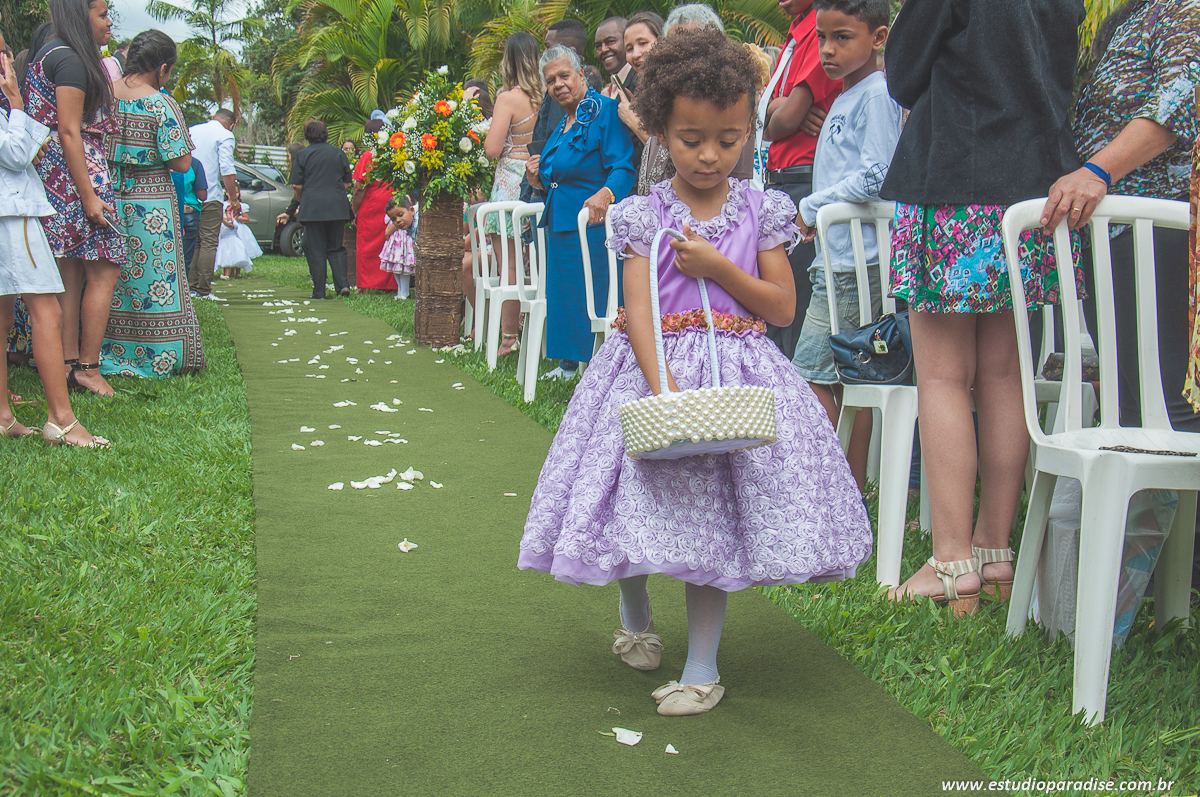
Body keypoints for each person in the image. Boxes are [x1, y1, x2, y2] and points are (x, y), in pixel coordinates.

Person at [519, 29, 871, 716]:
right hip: (652, 373)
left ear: (747, 132)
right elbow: (639, 308)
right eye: (691, 139)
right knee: (632, 501)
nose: (711, 155)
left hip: (735, 372)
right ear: (658, 132)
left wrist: (719, 269)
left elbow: (779, 305)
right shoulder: (638, 215)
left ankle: (703, 666)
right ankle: (635, 610)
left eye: (729, 138)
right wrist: (663, 387)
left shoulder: (761, 211)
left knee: (712, 528)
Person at [880, 0, 1084, 614]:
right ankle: (995, 554)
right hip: (1030, 197)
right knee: (1003, 377)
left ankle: (951, 563)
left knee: (943, 376)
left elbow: (903, 75)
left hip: (950, 186)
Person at [1043, 0, 1199, 434]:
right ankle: (1140, 503)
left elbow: (1182, 96)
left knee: (1169, 402)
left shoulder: (1185, 10)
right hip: (1114, 234)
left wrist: (1096, 171)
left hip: (1158, 233)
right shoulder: (1139, 15)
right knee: (1126, 397)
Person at [790, 0, 901, 490]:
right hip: (835, 261)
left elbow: (878, 175)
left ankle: (835, 492)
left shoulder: (877, 94)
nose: (828, 50)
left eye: (842, 38)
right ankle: (841, 492)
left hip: (860, 264)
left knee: (826, 375)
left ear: (877, 38)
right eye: (822, 38)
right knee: (839, 378)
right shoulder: (846, 95)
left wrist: (815, 205)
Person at [0, 29, 107, 446]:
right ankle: (61, 420)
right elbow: (14, 155)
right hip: (13, 214)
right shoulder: (9, 102)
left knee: (5, 317)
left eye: (7, 51)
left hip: (12, 211)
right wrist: (18, 106)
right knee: (47, 309)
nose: (8, 61)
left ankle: (4, 415)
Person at [25, 0, 127, 397]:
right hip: (79, 173)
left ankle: (67, 362)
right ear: (79, 14)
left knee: (68, 270)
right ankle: (88, 366)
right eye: (102, 14)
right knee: (105, 268)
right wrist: (88, 196)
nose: (109, 21)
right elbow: (70, 130)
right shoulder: (70, 61)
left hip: (51, 171)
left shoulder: (45, 51)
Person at [524, 44, 635, 380]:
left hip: (594, 228)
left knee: (597, 298)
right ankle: (571, 364)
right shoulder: (563, 122)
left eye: (564, 76)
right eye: (550, 80)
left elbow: (623, 166)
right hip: (560, 224)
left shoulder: (605, 111)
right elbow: (554, 172)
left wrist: (606, 192)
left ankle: (605, 368)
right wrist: (537, 177)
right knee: (567, 299)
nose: (558, 84)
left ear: (581, 75)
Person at [103, 29, 205, 378]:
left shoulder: (103, 96)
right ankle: (159, 354)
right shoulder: (160, 103)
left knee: (109, 278)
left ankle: (106, 350)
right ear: (162, 68)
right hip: (152, 204)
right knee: (155, 275)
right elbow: (181, 162)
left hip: (109, 195)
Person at [759, 0, 841, 360]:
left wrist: (781, 109)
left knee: (792, 303)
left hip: (803, 181)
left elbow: (783, 121)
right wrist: (778, 105)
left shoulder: (818, 32)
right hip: (779, 181)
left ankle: (792, 403)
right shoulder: (795, 34)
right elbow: (764, 113)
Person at [483, 31, 541, 356]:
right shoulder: (548, 96)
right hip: (535, 179)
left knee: (509, 265)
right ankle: (527, 329)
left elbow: (492, 149)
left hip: (509, 182)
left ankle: (508, 338)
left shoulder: (508, 99)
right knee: (533, 261)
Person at [518, 19, 587, 205]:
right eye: (551, 81)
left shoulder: (577, 99)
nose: (558, 84)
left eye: (549, 48)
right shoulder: (559, 102)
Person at [290, 119, 354, 299]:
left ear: (307, 135)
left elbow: (296, 184)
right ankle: (342, 284)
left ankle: (319, 290)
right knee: (336, 246)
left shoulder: (303, 155)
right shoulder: (338, 153)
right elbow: (347, 182)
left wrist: (302, 197)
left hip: (313, 208)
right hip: (337, 206)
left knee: (316, 248)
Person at [188, 108, 238, 300]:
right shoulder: (225, 135)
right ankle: (203, 290)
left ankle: (190, 287)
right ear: (231, 125)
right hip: (210, 195)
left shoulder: (192, 130)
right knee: (208, 242)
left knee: (193, 242)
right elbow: (226, 167)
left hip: (188, 195)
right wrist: (233, 198)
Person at [616, 11, 665, 195]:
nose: (636, 54)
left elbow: (669, 154)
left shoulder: (674, 89)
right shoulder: (640, 89)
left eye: (643, 43)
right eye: (629, 48)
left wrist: (633, 121)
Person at [346, 120, 396, 293]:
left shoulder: (368, 156)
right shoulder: (392, 154)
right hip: (390, 205)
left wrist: (353, 210)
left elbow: (359, 187)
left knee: (366, 246)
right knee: (388, 243)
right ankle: (388, 285)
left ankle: (365, 285)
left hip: (371, 206)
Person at [170, 153, 206, 271]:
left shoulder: (164, 163)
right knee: (184, 258)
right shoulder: (194, 163)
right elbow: (202, 195)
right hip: (188, 212)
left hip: (168, 211)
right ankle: (183, 287)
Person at [379, 195, 415, 300]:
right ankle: (400, 291)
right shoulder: (393, 207)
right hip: (395, 240)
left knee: (403, 265)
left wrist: (388, 232)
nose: (397, 220)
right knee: (396, 264)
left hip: (403, 238)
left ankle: (405, 292)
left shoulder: (404, 200)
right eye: (394, 218)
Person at [215, 199, 260, 278]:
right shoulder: (225, 220)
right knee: (227, 258)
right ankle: (228, 274)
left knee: (236, 257)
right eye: (227, 213)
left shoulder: (232, 222)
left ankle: (235, 274)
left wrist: (223, 219)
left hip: (232, 241)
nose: (229, 215)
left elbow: (230, 226)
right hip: (225, 241)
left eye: (230, 213)